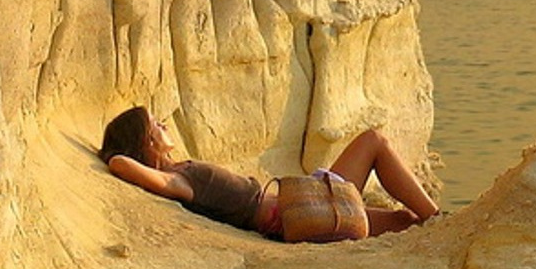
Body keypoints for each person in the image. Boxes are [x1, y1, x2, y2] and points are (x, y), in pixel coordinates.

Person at [98, 106, 439, 238]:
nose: (164, 123)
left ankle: (433, 223)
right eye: (155, 125)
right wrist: (119, 156)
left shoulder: (182, 170)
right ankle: (439, 219)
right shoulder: (178, 180)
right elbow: (121, 165)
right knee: (373, 142)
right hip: (297, 210)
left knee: (403, 222)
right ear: (147, 141)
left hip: (300, 203)